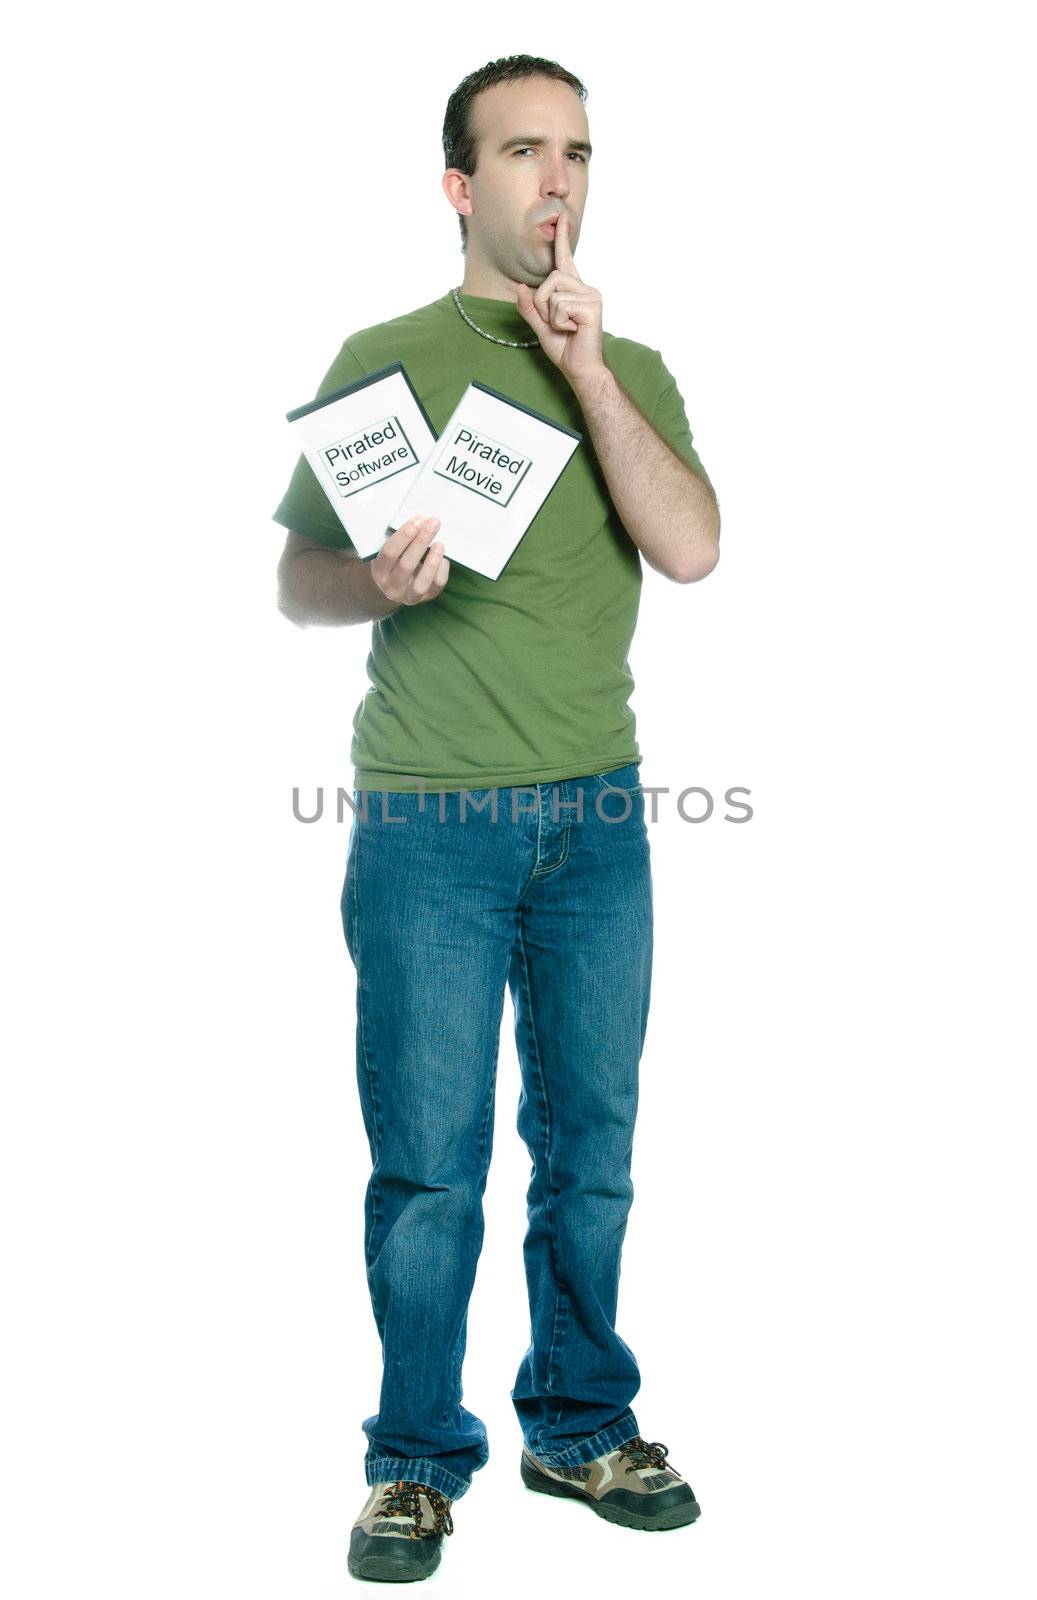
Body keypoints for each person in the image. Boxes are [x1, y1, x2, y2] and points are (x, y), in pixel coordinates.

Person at [272, 54, 721, 1584]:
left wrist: (584, 368)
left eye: (578, 153)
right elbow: (295, 582)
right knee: (430, 1166)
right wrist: (369, 584)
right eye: (523, 151)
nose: (558, 180)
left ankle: (578, 1425)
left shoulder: (632, 366)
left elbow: (693, 549)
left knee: (589, 1149)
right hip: (425, 827)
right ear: (461, 186)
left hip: (597, 822)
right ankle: (411, 1462)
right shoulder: (383, 355)